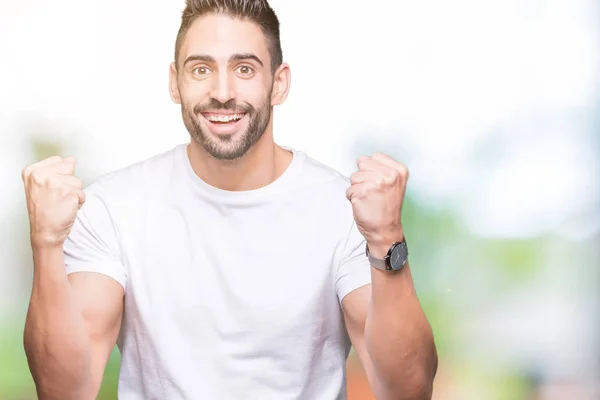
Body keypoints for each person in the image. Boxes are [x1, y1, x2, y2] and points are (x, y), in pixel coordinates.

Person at [21, 0, 437, 399]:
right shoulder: (114, 208)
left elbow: (407, 389)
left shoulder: (341, 210)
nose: (222, 92)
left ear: (278, 83)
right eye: (201, 68)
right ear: (174, 82)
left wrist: (386, 238)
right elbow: (64, 391)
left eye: (244, 68)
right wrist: (45, 244)